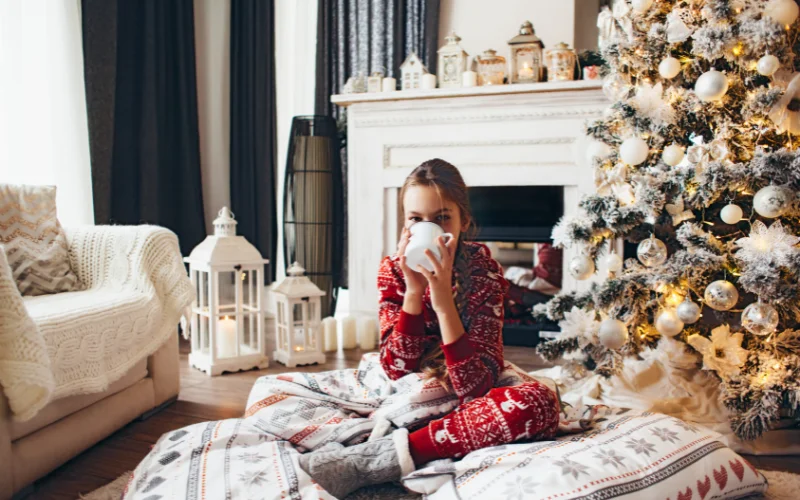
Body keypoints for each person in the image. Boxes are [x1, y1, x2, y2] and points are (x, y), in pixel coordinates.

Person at [299, 159, 562, 498]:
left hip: (466, 391)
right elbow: (395, 369)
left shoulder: (484, 272)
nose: (429, 229)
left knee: (540, 402)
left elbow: (476, 388)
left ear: (463, 220)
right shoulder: (393, 270)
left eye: (441, 218)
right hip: (410, 391)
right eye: (416, 219)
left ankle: (381, 460)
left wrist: (442, 302)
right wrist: (413, 291)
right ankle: (423, 448)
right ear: (404, 224)